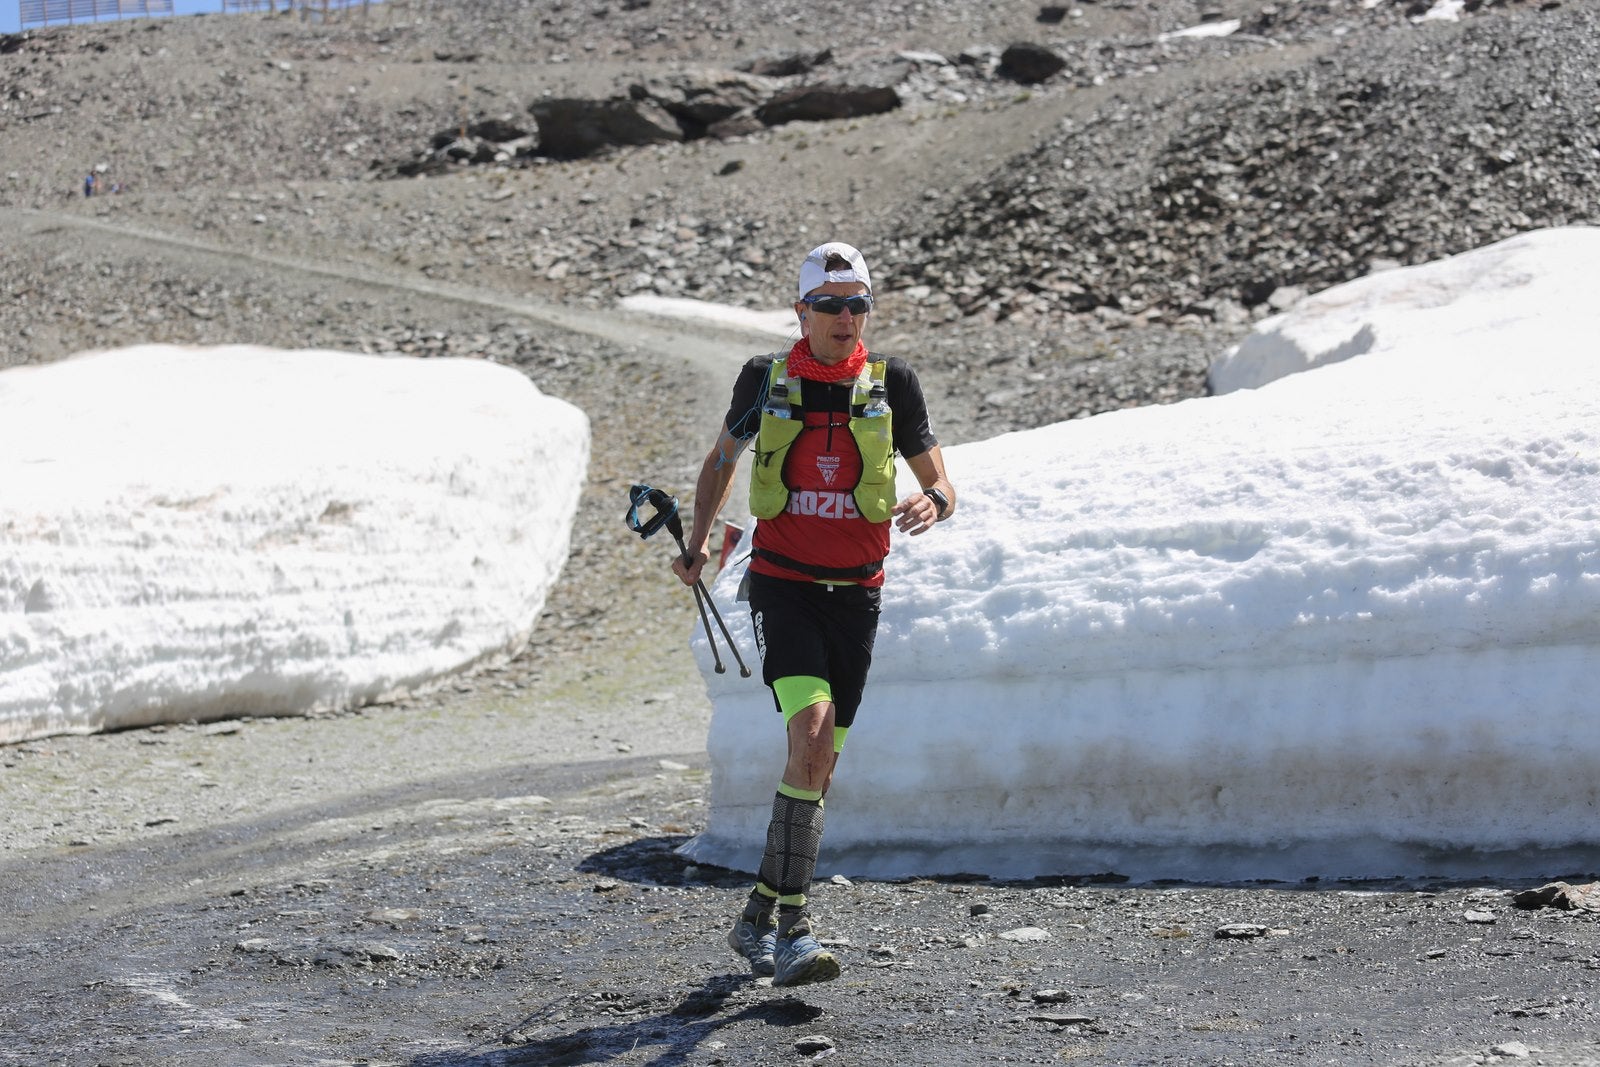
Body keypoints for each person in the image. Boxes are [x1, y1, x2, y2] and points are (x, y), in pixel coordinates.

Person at [672, 241, 956, 986]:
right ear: (801, 311)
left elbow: (942, 480)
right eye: (828, 304)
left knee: (819, 766)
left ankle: (759, 909)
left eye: (856, 303)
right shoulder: (764, 379)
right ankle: (797, 928)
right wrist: (697, 543)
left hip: (857, 593)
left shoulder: (893, 382)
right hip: (784, 583)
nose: (844, 316)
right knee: (811, 730)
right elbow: (721, 459)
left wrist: (936, 500)